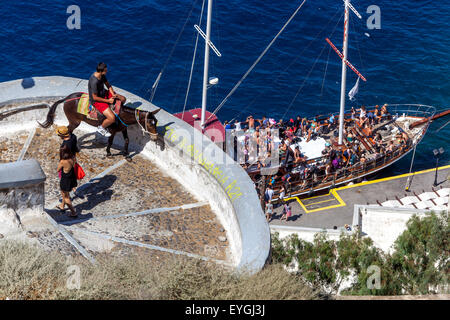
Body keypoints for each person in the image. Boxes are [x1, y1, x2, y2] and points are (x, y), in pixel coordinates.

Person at [88, 62, 126, 137]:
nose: (107, 71)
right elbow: (94, 97)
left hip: (104, 94)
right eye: (106, 70)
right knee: (112, 118)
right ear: (101, 71)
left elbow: (108, 86)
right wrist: (108, 101)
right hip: (97, 101)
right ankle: (101, 127)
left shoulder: (102, 75)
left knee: (123, 99)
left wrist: (113, 94)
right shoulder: (94, 81)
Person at [57, 145, 77, 217]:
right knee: (64, 193)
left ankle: (73, 212)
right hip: (71, 177)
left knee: (66, 197)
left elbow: (58, 169)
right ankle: (62, 206)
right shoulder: (73, 158)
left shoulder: (63, 161)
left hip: (65, 180)